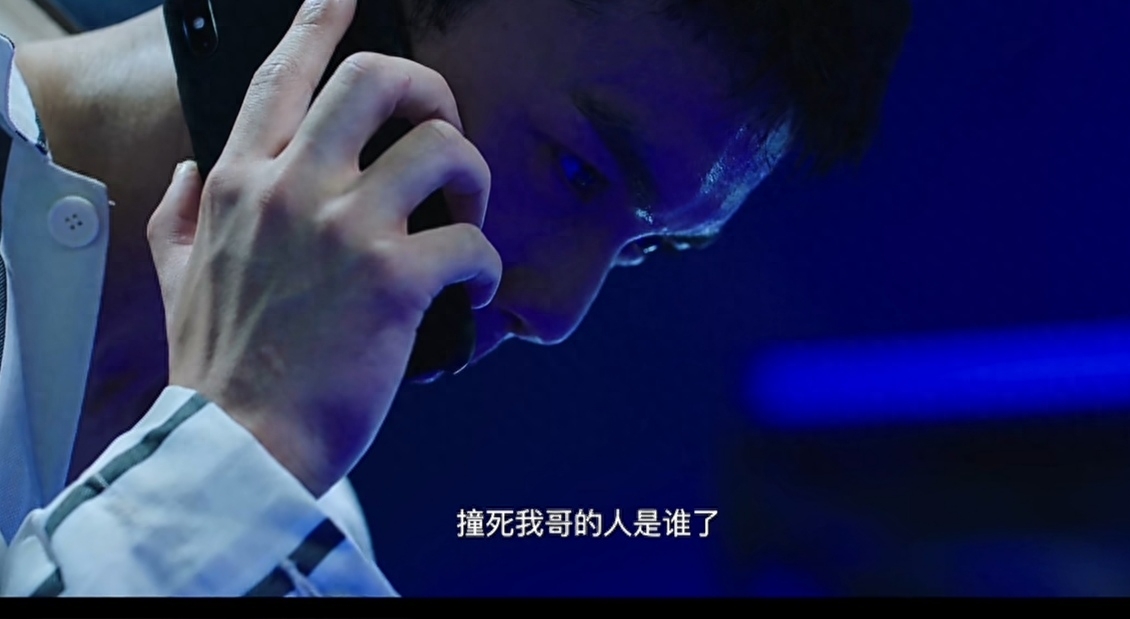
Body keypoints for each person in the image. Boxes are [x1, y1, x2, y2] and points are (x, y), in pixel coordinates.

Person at [0, 0, 911, 596]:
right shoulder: (250, 468)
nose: (556, 314)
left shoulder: (293, 524)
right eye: (575, 169)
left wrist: (243, 446)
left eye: (648, 247)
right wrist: (244, 437)